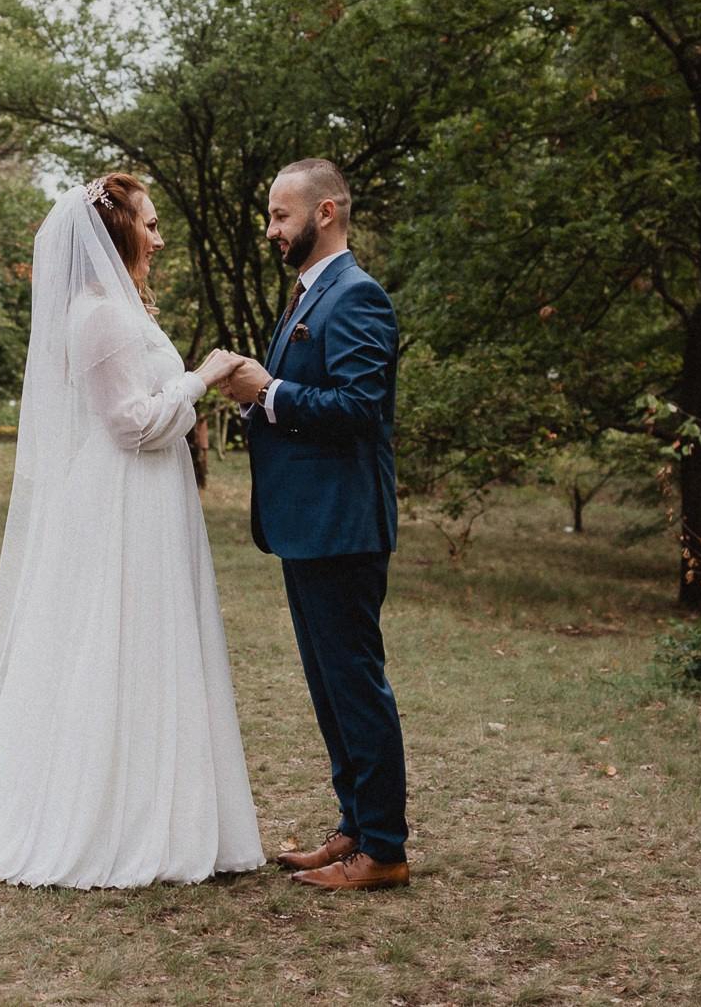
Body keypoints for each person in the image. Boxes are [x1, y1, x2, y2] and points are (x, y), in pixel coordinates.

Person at [0, 173, 264, 888]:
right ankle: (111, 820)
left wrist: (187, 387)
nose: (158, 237)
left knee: (154, 650)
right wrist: (201, 378)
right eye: (149, 225)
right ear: (114, 230)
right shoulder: (97, 314)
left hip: (151, 499)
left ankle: (167, 809)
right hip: (125, 501)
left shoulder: (122, 309)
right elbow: (130, 424)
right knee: (117, 648)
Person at [218, 158, 409, 892]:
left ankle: (384, 847)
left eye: (280, 215)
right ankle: (354, 826)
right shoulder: (308, 295)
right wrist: (254, 400)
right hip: (306, 525)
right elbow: (299, 400)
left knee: (356, 685)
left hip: (343, 526)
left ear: (325, 212)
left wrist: (270, 389)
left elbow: (359, 408)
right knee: (331, 687)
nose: (271, 230)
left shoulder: (358, 298)